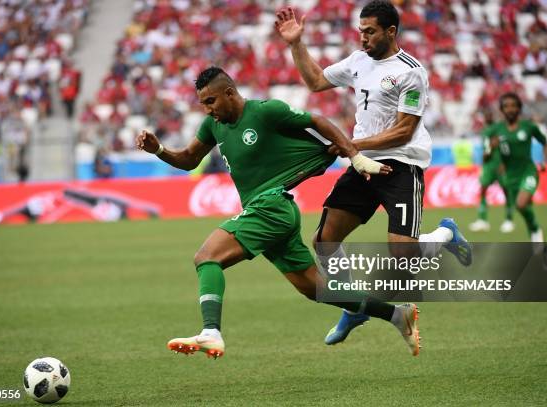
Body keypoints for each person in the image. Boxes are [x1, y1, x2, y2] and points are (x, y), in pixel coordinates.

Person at [136, 67, 423, 358]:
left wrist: (355, 156)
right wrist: (158, 148)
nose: (208, 109)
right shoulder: (213, 126)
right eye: (203, 104)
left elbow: (318, 121)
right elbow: (188, 158)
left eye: (211, 101)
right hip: (270, 212)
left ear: (230, 93)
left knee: (207, 258)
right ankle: (398, 315)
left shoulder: (265, 111)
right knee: (316, 289)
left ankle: (211, 332)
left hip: (271, 206)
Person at [275, 1, 471, 345]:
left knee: (402, 257)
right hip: (364, 163)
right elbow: (317, 82)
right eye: (360, 31)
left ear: (390, 31)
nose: (363, 38)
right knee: (324, 240)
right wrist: (296, 44)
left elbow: (404, 131)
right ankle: (354, 307)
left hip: (401, 165)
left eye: (370, 31)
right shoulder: (357, 62)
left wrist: (353, 144)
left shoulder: (411, 71)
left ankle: (445, 234)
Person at [489, 92, 547, 243]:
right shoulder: (496, 130)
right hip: (510, 176)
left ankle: (536, 229)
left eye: (513, 106)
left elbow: (545, 143)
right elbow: (486, 156)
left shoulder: (528, 127)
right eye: (506, 106)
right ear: (502, 110)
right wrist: (491, 148)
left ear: (519, 108)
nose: (510, 109)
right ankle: (535, 233)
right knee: (522, 207)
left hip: (528, 171)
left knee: (521, 203)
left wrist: (544, 162)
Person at [469, 110, 515, 233]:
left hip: (500, 166)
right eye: (486, 115)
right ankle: (482, 221)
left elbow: (507, 148)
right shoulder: (485, 132)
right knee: (483, 190)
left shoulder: (499, 130)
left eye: (490, 115)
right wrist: (485, 161)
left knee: (506, 191)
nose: (488, 117)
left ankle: (509, 220)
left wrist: (506, 163)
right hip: (489, 166)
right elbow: (486, 153)